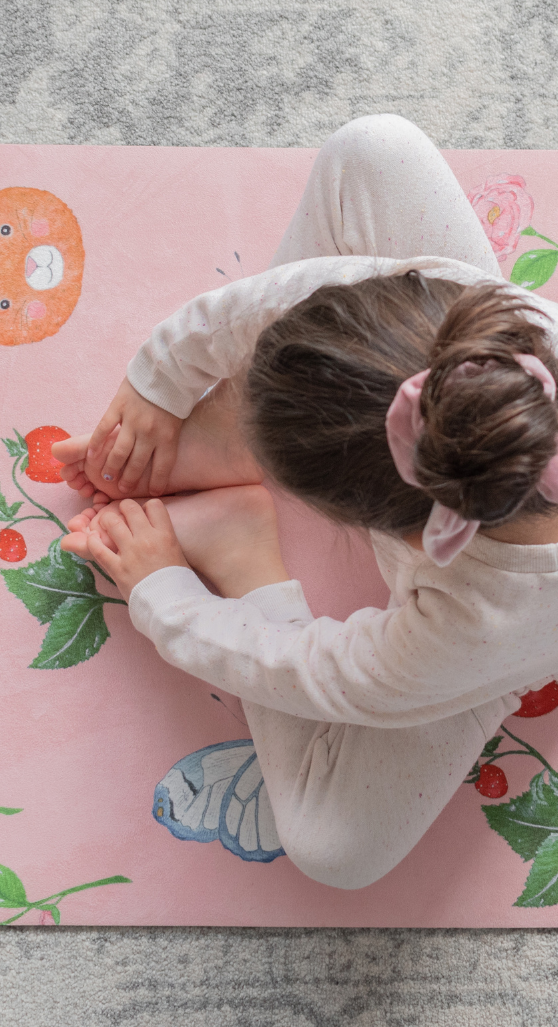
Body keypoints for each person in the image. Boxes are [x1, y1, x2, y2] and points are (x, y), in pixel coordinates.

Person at [54, 114, 558, 889]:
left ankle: (241, 539)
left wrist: (165, 594)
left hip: (512, 639)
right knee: (374, 149)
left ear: (383, 529)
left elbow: (308, 667)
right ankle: (239, 428)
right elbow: (311, 297)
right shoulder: (503, 325)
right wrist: (163, 373)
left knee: (335, 850)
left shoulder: (474, 628)